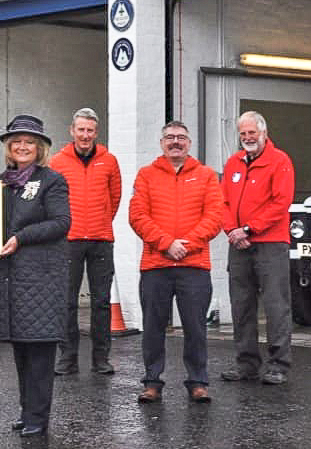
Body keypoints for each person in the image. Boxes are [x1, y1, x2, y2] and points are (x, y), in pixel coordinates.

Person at [0, 114, 70, 438]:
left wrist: (22, 237)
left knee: (39, 351)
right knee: (22, 348)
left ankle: (38, 416)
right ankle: (27, 411)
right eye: (17, 141)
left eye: (29, 142)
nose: (22, 146)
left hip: (41, 279)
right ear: (9, 147)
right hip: (12, 278)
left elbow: (61, 223)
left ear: (40, 148)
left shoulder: (52, 181)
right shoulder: (0, 183)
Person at [129, 121, 223, 404]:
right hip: (156, 265)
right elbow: (137, 215)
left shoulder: (206, 176)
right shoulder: (146, 175)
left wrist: (186, 245)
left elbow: (215, 216)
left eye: (181, 137)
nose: (175, 142)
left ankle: (198, 382)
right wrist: (166, 244)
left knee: (196, 328)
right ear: (161, 143)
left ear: (189, 143)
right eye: (169, 137)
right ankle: (152, 382)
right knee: (153, 327)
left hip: (193, 266)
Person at [220, 111, 295, 385]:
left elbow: (280, 202)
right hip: (238, 244)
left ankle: (279, 365)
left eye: (252, 133)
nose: (247, 138)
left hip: (270, 244)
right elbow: (222, 202)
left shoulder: (280, 161)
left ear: (264, 133)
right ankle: (247, 364)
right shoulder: (233, 163)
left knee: (276, 305)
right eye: (243, 134)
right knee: (241, 305)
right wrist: (232, 230)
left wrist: (249, 229)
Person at [49, 107, 121, 375]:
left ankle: (101, 359)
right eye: (81, 129)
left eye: (90, 130)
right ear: (72, 131)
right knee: (66, 301)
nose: (85, 135)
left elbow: (114, 198)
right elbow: (54, 200)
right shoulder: (58, 162)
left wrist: (101, 221)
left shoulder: (109, 161)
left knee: (101, 302)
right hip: (68, 240)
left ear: (96, 132)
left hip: (101, 240)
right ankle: (67, 358)